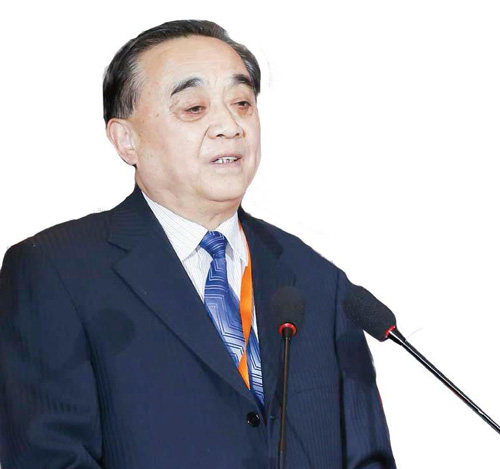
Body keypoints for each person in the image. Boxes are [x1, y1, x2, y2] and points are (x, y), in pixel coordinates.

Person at [0, 20, 396, 468]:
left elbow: (368, 458)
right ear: (126, 140)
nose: (230, 125)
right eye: (193, 108)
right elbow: (48, 458)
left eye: (242, 103)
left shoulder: (315, 278)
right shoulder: (56, 271)